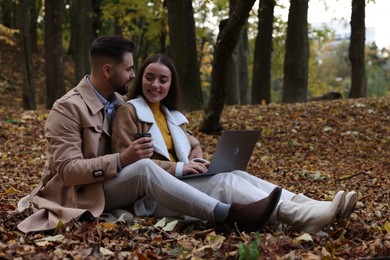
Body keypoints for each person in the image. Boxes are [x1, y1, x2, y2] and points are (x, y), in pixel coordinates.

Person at [17, 35, 282, 233]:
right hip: (80, 193)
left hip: (113, 183)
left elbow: (175, 131)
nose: (134, 75)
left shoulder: (120, 104)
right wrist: (122, 159)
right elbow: (68, 171)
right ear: (108, 70)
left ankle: (288, 205)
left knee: (223, 177)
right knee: (144, 168)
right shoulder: (67, 108)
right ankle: (227, 215)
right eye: (129, 69)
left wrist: (194, 150)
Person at [111, 53, 358, 233]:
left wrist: (195, 158)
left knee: (237, 172)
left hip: (183, 182)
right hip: (158, 196)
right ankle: (298, 215)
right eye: (150, 77)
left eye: (163, 80)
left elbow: (192, 143)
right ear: (140, 78)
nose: (155, 85)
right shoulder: (129, 112)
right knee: (225, 181)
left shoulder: (171, 116)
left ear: (171, 84)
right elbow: (129, 162)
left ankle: (311, 206)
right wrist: (180, 168)